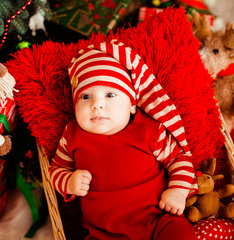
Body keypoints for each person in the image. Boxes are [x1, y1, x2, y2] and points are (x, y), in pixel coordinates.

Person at [50, 40, 198, 240]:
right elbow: (55, 171)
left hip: (157, 221)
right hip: (104, 233)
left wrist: (177, 192)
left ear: (132, 105)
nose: (97, 105)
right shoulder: (72, 134)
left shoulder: (149, 130)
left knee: (180, 234)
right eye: (85, 96)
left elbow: (179, 160)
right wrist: (68, 181)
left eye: (110, 94)